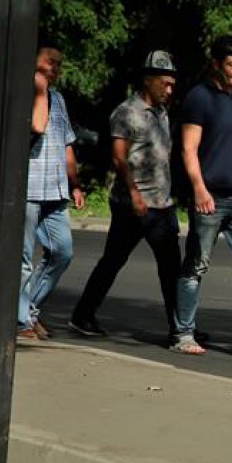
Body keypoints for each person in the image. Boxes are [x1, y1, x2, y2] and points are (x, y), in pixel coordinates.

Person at [70, 51, 182, 338]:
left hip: (162, 203)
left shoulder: (162, 112)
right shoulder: (126, 112)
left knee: (171, 268)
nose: (169, 89)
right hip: (132, 203)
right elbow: (119, 158)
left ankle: (181, 327)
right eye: (164, 83)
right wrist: (134, 194)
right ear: (148, 80)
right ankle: (83, 315)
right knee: (113, 260)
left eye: (172, 84)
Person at [171, 35, 232, 357]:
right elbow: (188, 148)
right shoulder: (200, 97)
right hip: (210, 197)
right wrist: (199, 189)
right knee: (196, 266)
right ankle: (184, 333)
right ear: (216, 64)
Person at [18, 42, 86, 340]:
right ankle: (20, 321)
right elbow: (37, 126)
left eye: (58, 64)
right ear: (34, 62)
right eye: (50, 62)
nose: (54, 69)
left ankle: (28, 310)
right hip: (29, 188)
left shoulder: (58, 98)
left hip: (55, 190)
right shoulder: (25, 94)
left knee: (62, 252)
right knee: (22, 259)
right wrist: (40, 90)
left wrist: (75, 184)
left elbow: (67, 143)